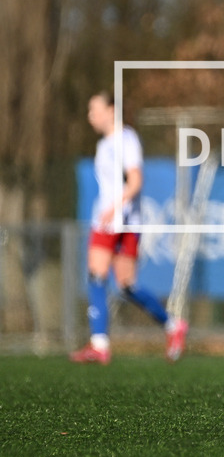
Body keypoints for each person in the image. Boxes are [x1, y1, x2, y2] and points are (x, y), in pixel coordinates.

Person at [70, 91, 188, 364]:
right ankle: (167, 326)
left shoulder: (126, 139)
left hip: (119, 220)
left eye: (94, 109)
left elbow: (135, 181)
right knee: (114, 282)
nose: (90, 116)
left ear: (112, 110)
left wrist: (114, 207)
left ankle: (105, 343)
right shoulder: (105, 144)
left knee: (110, 280)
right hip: (118, 221)